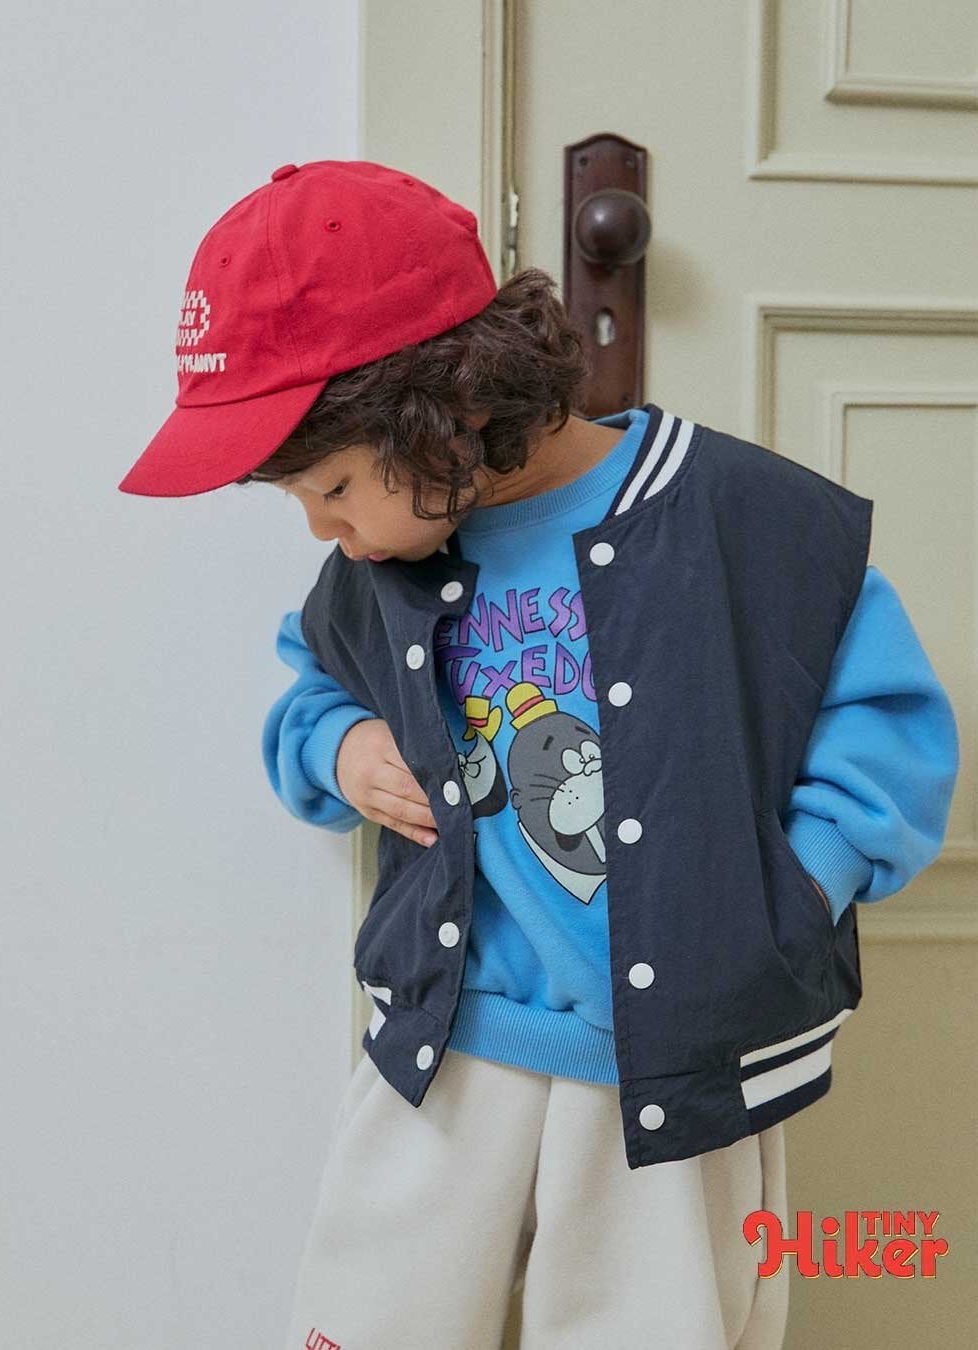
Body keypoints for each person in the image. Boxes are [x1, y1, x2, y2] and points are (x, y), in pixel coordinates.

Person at [117, 160, 959, 1350]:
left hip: (674, 1068)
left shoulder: (746, 521)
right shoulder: (377, 567)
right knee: (369, 1319)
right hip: (447, 1047)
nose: (324, 530)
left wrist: (792, 897)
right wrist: (343, 747)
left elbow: (888, 729)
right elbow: (313, 687)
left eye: (333, 486)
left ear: (443, 409)